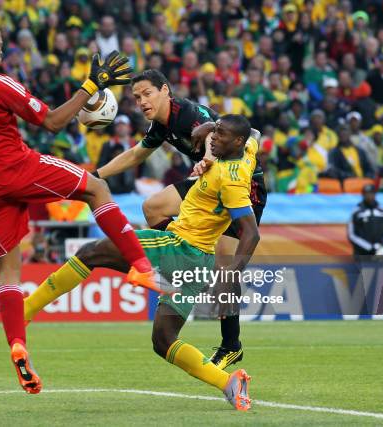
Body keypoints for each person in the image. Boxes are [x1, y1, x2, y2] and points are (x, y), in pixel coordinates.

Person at [0, 21, 154, 394]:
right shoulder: (0, 82)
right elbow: (52, 122)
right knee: (96, 187)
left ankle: (18, 345)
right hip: (18, 169)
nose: (2, 53)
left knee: (8, 274)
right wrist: (90, 87)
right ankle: (142, 267)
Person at [11, 115, 259, 410]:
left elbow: (251, 233)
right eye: (216, 131)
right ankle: (228, 382)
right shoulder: (248, 151)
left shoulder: (230, 179)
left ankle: (27, 309)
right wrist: (209, 129)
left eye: (222, 135)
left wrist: (229, 277)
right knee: (164, 341)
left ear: (237, 143)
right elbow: (252, 131)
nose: (215, 138)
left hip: (179, 247)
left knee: (93, 251)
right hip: (199, 262)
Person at [93, 69, 267, 369]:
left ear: (165, 90)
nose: (142, 101)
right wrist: (94, 177)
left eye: (147, 93)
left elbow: (242, 134)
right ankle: (179, 260)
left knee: (226, 268)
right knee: (153, 208)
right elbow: (135, 155)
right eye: (136, 97)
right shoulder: (161, 125)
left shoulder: (187, 113)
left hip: (243, 188)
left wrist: (208, 158)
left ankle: (231, 344)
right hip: (210, 183)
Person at [347, 184, 383, 258]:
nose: (369, 196)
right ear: (363, 195)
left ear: (375, 194)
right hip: (362, 253)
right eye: (367, 193)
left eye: (371, 193)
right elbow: (352, 235)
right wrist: (370, 247)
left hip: (381, 252)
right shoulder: (356, 212)